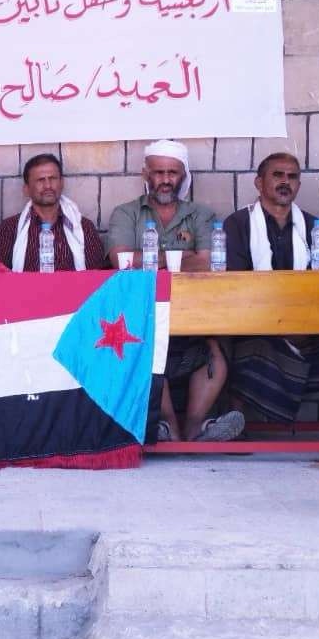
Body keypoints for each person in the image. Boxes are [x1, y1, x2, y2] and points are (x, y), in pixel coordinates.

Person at [222, 153, 319, 439]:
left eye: (292, 177)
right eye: (277, 175)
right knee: (247, 345)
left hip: (307, 324)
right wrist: (278, 322)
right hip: (256, 322)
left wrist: (301, 323)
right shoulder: (238, 223)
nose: (285, 182)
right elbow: (237, 283)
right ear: (259, 183)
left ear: (298, 184)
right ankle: (237, 425)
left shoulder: (314, 227)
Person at [108, 139, 243, 443]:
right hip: (144, 312)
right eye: (159, 172)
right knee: (143, 340)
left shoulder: (201, 215)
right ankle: (168, 426)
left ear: (184, 176)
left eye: (172, 172)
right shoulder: (126, 213)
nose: (166, 180)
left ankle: (196, 427)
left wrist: (150, 260)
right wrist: (184, 257)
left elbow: (208, 263)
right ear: (146, 174)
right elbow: (120, 260)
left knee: (216, 342)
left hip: (196, 311)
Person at [0, 153, 105, 271]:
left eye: (52, 179)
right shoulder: (10, 228)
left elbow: (99, 277)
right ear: (26, 189)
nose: (48, 185)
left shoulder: (83, 227)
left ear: (62, 183)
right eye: (40, 180)